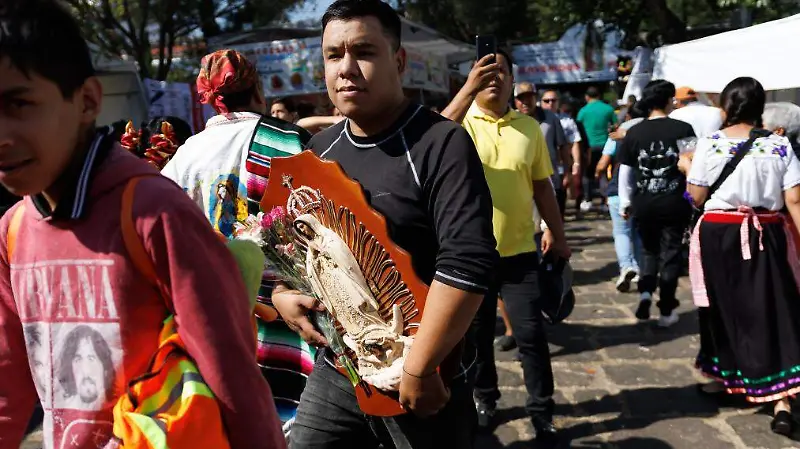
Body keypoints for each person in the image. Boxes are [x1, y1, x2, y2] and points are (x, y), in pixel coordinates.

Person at [0, 2, 285, 449]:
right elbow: (7, 377)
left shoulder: (153, 212)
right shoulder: (12, 231)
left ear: (88, 101)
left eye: (18, 103)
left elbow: (231, 377)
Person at [271, 1, 498, 447]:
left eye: (364, 52)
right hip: (339, 367)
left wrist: (420, 367)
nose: (347, 68)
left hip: (426, 373)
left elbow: (469, 262)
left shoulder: (441, 142)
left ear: (399, 60)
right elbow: (301, 250)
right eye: (334, 55)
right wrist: (282, 295)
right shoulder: (319, 149)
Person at [161, 50, 314, 438]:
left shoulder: (185, 154)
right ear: (257, 88)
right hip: (283, 305)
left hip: (213, 310)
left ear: (211, 96)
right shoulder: (287, 140)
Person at [442, 49, 571, 440]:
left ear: (514, 81)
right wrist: (467, 91)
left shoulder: (529, 128)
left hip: (519, 253)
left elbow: (541, 187)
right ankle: (485, 398)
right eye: (485, 70)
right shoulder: (459, 124)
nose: (494, 77)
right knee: (477, 339)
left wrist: (559, 235)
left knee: (531, 336)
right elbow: (428, 137)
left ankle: (541, 409)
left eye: (502, 71)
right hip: (469, 257)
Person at [680, 77, 800, 437]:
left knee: (722, 306)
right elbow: (794, 200)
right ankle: (780, 398)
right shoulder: (779, 145)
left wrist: (687, 169)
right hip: (768, 233)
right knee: (773, 308)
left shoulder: (710, 145)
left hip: (720, 234)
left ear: (726, 107)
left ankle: (728, 377)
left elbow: (696, 197)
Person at [617, 80, 695, 328]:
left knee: (648, 252)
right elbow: (693, 165)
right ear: (669, 100)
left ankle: (645, 294)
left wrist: (625, 202)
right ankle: (666, 310)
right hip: (675, 202)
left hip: (644, 202)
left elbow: (625, 172)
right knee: (671, 255)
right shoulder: (684, 128)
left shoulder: (634, 133)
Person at [595, 102, 646, 292]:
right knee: (638, 232)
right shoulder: (649, 130)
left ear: (627, 117)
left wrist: (598, 175)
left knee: (621, 231)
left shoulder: (619, 132)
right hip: (642, 191)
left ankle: (627, 266)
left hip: (617, 189)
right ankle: (640, 269)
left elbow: (604, 160)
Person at [514, 82, 572, 215]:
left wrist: (568, 173)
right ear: (515, 101)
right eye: (521, 98)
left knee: (551, 216)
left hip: (549, 178)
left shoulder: (550, 118)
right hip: (522, 180)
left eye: (529, 97)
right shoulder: (511, 120)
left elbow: (562, 146)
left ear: (536, 98)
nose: (525, 102)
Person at [577, 86, 617, 212]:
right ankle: (605, 201)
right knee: (604, 173)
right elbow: (615, 125)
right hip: (606, 146)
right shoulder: (608, 109)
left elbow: (577, 127)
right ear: (599, 96)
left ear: (587, 97)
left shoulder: (583, 111)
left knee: (588, 174)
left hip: (589, 147)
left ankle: (588, 200)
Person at [542, 90, 583, 207]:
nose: (550, 103)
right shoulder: (533, 120)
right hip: (541, 168)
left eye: (553, 100)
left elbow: (574, 142)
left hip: (559, 168)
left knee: (559, 202)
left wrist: (576, 164)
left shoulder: (567, 121)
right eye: (546, 101)